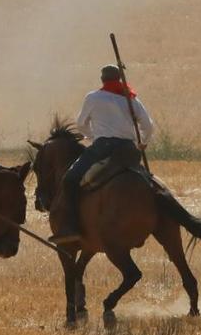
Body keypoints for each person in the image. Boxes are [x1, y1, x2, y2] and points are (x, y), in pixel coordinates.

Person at [49, 64, 155, 245]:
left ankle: (71, 226)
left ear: (102, 80)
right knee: (150, 181)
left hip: (103, 148)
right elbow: (148, 125)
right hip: (129, 150)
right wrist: (143, 143)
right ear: (119, 79)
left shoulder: (93, 97)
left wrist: (92, 136)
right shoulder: (131, 100)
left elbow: (81, 123)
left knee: (70, 179)